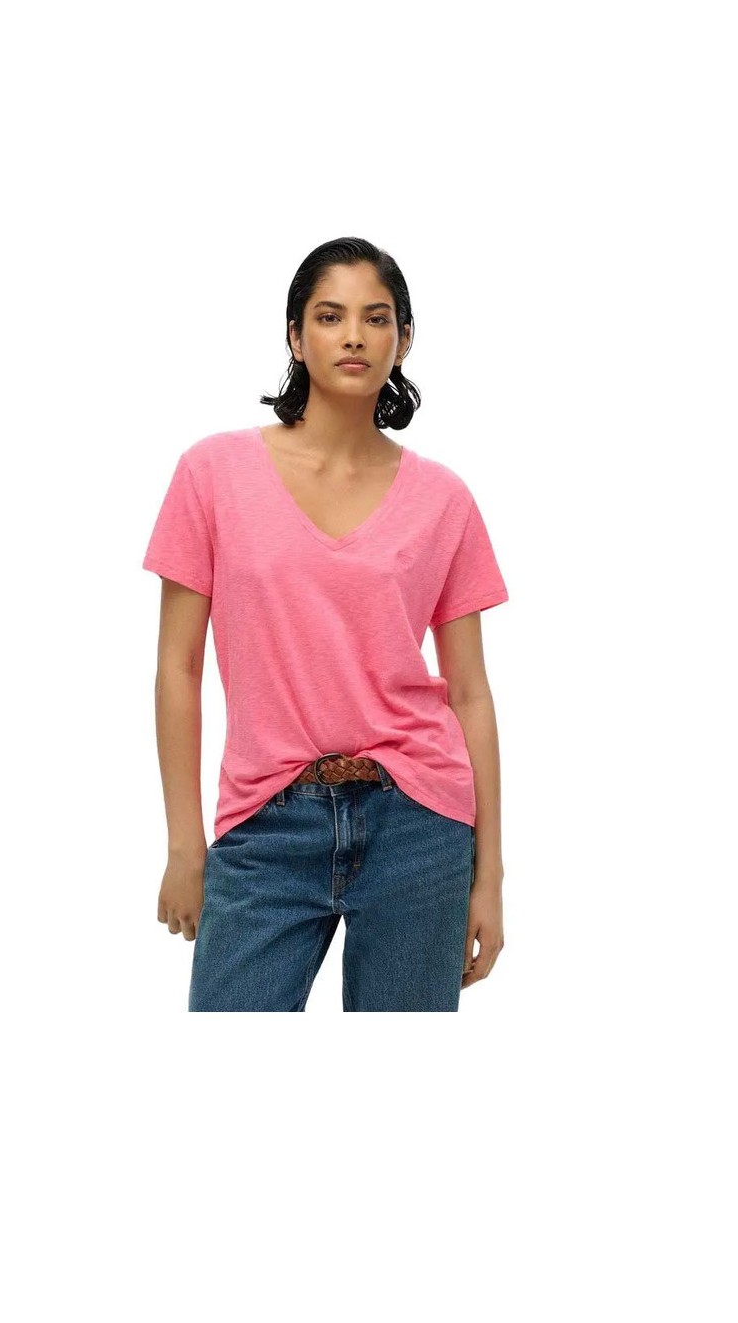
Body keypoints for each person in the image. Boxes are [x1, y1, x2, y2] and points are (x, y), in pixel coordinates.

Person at [142, 236, 509, 1011]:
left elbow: (471, 693)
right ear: (295, 335)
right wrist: (184, 844)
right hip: (265, 820)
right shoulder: (212, 473)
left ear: (403, 340)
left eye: (376, 318)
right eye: (330, 316)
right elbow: (178, 667)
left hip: (420, 821)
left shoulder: (445, 499)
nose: (353, 336)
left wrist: (491, 877)